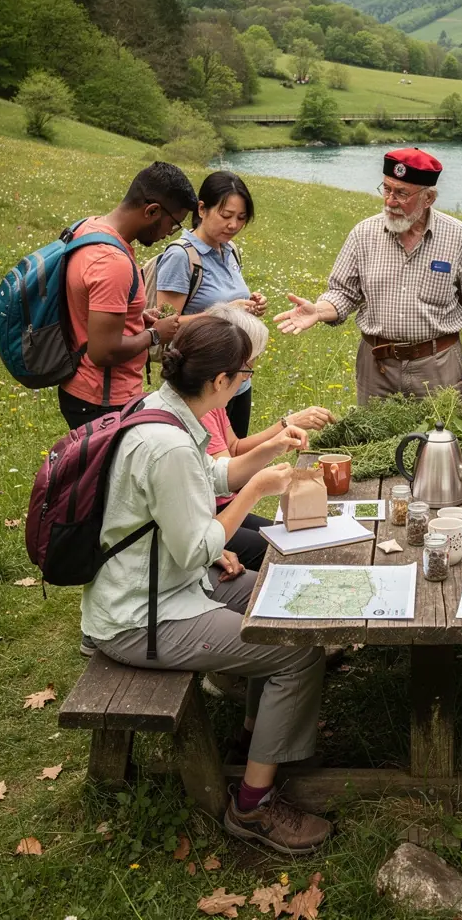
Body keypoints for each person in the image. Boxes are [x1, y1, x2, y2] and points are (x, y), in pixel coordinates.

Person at [82, 314, 332, 852]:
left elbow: (211, 477)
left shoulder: (163, 410)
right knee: (297, 647)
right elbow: (197, 544)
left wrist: (269, 453)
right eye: (243, 372)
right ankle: (253, 807)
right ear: (219, 381)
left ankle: (251, 738)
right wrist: (258, 492)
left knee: (288, 599)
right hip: (141, 617)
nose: (246, 379)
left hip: (168, 584)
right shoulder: (166, 444)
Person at [272, 149, 462, 411]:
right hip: (376, 368)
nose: (390, 201)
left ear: (428, 198)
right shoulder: (363, 234)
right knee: (374, 446)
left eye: (402, 193)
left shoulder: (459, 238)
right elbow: (343, 293)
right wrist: (319, 311)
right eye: (387, 189)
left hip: (438, 367)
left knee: (437, 447)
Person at [59, 162, 197, 430]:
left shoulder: (89, 228)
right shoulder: (113, 262)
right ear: (152, 211)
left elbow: (88, 304)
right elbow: (103, 351)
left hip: (82, 388)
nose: (169, 233)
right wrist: (156, 334)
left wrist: (136, 317)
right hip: (103, 400)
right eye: (172, 224)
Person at [201, 303, 335, 572]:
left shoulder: (210, 400)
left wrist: (283, 431)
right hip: (211, 518)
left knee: (291, 537)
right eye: (247, 368)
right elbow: (227, 477)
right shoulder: (201, 408)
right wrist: (260, 484)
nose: (247, 378)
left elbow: (234, 448)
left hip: (218, 513)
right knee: (284, 553)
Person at [155, 171, 268, 438]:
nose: (233, 225)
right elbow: (164, 326)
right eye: (226, 215)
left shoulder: (229, 250)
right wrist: (225, 313)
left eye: (241, 218)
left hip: (236, 378)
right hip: (202, 385)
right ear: (202, 209)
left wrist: (251, 307)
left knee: (235, 455)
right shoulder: (181, 257)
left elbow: (231, 301)